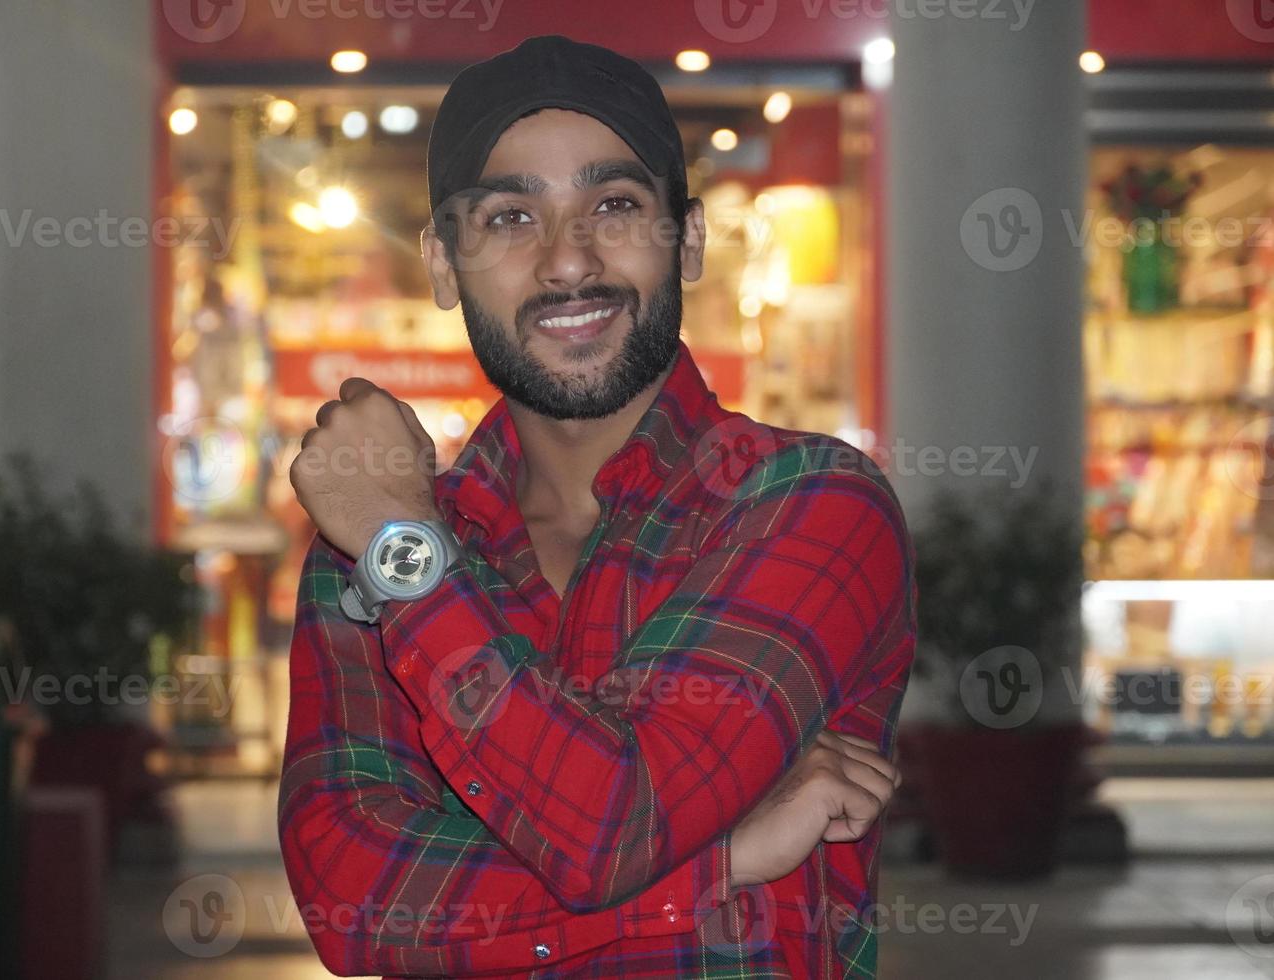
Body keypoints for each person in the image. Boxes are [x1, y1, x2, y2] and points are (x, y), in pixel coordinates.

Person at [279, 35, 917, 979]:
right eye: (508, 218)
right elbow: (352, 900)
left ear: (688, 238)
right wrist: (725, 860)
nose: (568, 262)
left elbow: (611, 825)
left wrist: (403, 554)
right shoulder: (362, 555)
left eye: (613, 205)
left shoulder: (809, 503)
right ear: (445, 263)